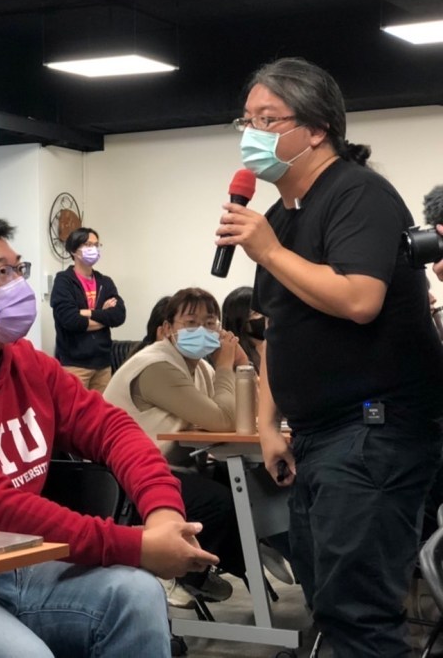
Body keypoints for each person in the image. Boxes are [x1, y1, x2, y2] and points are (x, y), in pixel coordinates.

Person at [0, 211, 218, 658]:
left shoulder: (25, 361)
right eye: (0, 272)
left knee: (137, 595)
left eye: (19, 269)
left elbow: (112, 428)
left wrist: (163, 511)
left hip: (21, 562)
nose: (18, 283)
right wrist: (134, 546)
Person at [217, 57, 443, 657]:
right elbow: (277, 329)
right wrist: (268, 423)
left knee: (358, 612)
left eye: (268, 119)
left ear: (316, 129)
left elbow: (360, 299)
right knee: (327, 602)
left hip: (375, 428)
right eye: (246, 120)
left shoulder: (357, 193)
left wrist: (268, 252)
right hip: (318, 435)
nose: (252, 134)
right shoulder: (278, 219)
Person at [106, 287, 248, 604]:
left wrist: (243, 364)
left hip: (171, 466)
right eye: (191, 322)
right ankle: (175, 574)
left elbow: (242, 413)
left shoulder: (199, 367)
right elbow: (224, 421)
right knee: (220, 503)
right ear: (168, 328)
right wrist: (227, 366)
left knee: (247, 487)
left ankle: (236, 559)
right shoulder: (156, 366)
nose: (202, 330)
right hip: (129, 477)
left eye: (210, 323)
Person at [49, 227, 126, 393]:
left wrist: (87, 312)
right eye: (88, 245)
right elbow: (70, 320)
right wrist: (104, 317)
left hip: (103, 364)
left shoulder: (105, 281)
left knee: (102, 408)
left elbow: (119, 316)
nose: (94, 249)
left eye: (96, 245)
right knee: (75, 409)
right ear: (73, 250)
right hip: (74, 364)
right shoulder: (63, 281)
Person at [221, 285, 264, 371]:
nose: (264, 316)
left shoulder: (275, 348)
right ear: (240, 322)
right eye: (256, 313)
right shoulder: (235, 357)